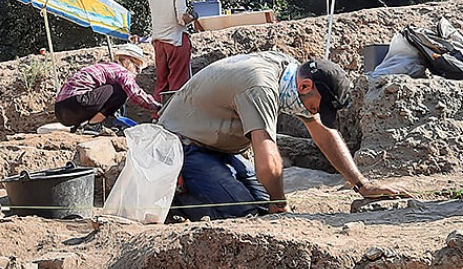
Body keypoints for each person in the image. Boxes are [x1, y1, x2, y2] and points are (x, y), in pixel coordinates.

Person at [157, 51, 403, 220]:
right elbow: (267, 159)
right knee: (244, 215)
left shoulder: (289, 73)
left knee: (262, 208)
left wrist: (362, 184)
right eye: (316, 107)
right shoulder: (261, 86)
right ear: (305, 86)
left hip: (215, 148)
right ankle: (175, 200)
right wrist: (280, 203)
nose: (313, 114)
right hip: (180, 146)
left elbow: (323, 134)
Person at [54, 44, 160, 133]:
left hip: (61, 111)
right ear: (127, 62)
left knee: (110, 93)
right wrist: (156, 107)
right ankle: (93, 125)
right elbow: (135, 93)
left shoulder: (105, 67)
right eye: (137, 68)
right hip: (75, 104)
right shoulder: (121, 71)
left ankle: (83, 125)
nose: (137, 73)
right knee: (120, 92)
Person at [145, 0, 198, 102]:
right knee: (178, 81)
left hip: (158, 41)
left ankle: (157, 114)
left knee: (162, 81)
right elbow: (182, 18)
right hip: (176, 40)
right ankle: (176, 115)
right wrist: (194, 16)